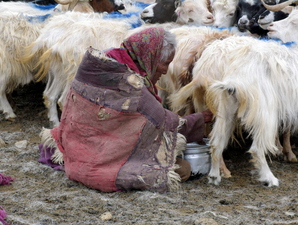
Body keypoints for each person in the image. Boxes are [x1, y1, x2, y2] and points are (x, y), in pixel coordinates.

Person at [39, 27, 213, 193]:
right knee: (182, 169)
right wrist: (199, 119)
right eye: (164, 63)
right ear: (150, 57)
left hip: (74, 147)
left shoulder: (104, 60)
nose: (166, 70)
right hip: (103, 162)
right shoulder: (132, 85)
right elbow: (163, 123)